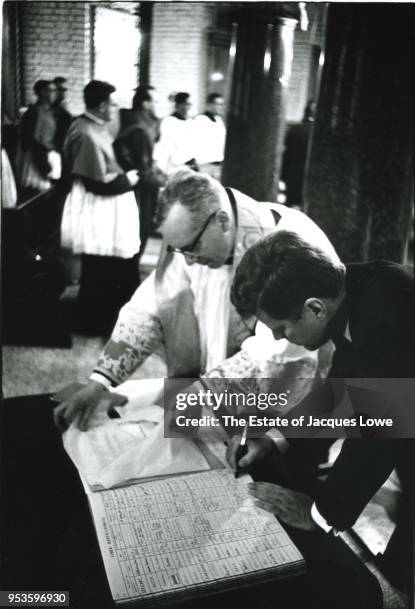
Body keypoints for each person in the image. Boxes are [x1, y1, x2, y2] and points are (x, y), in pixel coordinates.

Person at [54, 169, 339, 431]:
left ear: (222, 221)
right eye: (179, 251)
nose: (188, 260)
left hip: (286, 412)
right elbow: (152, 305)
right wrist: (99, 382)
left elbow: (280, 349)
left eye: (191, 248)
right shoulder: (193, 244)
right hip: (215, 396)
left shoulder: (295, 243)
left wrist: (203, 393)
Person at [229, 230, 414, 594]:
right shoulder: (354, 290)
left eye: (281, 328)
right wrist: (277, 439)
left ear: (315, 308)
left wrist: (321, 513)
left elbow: (381, 429)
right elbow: (343, 390)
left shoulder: (387, 309)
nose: (281, 338)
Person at [60, 79, 140, 335]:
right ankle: (97, 320)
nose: (115, 108)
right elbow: (94, 182)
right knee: (101, 265)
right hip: (98, 207)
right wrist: (128, 180)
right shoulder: (83, 131)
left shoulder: (97, 126)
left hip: (109, 204)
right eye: (113, 104)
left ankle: (112, 316)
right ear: (102, 105)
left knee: (113, 265)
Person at [114, 85, 164, 260]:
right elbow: (143, 169)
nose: (159, 105)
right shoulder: (139, 129)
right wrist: (161, 182)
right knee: (138, 231)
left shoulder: (139, 123)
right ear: (145, 103)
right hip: (138, 190)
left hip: (135, 186)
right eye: (155, 101)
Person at [19, 79, 61, 195]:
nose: (55, 93)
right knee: (38, 196)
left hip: (48, 155)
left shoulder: (50, 112)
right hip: (38, 158)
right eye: (52, 90)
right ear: (42, 92)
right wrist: (43, 165)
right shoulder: (34, 112)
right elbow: (30, 139)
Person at [280, 100, 316, 207]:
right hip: (310, 178)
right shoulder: (316, 134)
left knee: (290, 206)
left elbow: (286, 156)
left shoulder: (294, 130)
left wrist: (283, 176)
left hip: (293, 177)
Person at [153, 92, 198, 174]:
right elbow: (163, 145)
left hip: (190, 165)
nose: (189, 107)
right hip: (175, 166)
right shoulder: (169, 121)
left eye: (190, 104)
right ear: (179, 105)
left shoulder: (191, 122)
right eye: (187, 104)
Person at [194, 93, 226, 181]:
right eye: (219, 104)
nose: (221, 107)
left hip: (218, 165)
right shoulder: (200, 120)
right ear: (209, 105)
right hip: (205, 165)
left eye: (222, 104)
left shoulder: (219, 120)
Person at [52, 76, 72, 153]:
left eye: (65, 90)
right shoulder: (50, 108)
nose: (63, 92)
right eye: (60, 90)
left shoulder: (65, 106)